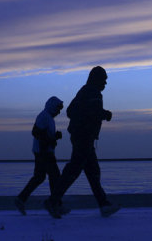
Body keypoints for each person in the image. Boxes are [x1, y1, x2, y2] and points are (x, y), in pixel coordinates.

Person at [44, 65, 120, 218]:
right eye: (104, 80)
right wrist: (105, 114)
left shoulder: (84, 90)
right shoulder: (93, 93)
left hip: (82, 136)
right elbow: (82, 112)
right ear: (96, 79)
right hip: (83, 137)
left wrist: (90, 114)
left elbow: (71, 111)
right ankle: (53, 201)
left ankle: (104, 204)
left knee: (92, 172)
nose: (105, 83)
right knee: (74, 169)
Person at [14, 96, 64, 215]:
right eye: (58, 108)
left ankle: (21, 199)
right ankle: (55, 205)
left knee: (39, 177)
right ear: (52, 107)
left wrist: (54, 137)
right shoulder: (44, 116)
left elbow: (43, 134)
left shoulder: (48, 118)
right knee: (55, 177)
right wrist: (51, 141)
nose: (59, 111)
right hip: (44, 152)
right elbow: (36, 132)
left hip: (43, 151)